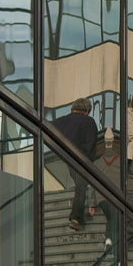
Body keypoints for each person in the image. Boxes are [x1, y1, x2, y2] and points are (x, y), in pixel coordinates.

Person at [47, 98, 101, 228]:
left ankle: (76, 217)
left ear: (72, 109)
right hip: (81, 159)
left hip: (65, 159)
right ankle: (76, 218)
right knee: (81, 185)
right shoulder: (89, 122)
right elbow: (90, 144)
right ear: (87, 111)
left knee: (79, 185)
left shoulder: (59, 121)